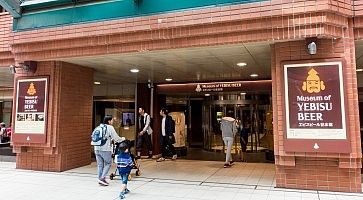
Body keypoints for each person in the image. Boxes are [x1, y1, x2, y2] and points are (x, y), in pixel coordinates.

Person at [94, 115, 124, 186]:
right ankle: (102, 178)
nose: (113, 121)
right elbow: (116, 138)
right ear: (109, 121)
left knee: (100, 165)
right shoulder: (110, 127)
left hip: (96, 148)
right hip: (105, 149)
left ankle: (100, 179)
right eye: (112, 120)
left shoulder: (98, 127)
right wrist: (123, 139)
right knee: (108, 163)